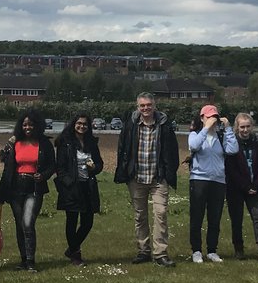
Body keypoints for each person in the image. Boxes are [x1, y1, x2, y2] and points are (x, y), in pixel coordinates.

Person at [114, 92, 179, 268]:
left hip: (158, 177)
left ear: (154, 105)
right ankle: (143, 250)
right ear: (138, 107)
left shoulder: (164, 125)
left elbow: (173, 151)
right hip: (137, 177)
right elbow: (122, 148)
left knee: (161, 214)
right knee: (140, 216)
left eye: (149, 105)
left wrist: (169, 172)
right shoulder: (131, 125)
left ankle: (160, 253)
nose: (146, 108)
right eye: (142, 106)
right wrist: (124, 171)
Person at [0, 109, 56, 272]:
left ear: (37, 125)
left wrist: (43, 175)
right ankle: (23, 260)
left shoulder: (44, 143)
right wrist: (8, 143)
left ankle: (30, 261)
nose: (27, 127)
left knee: (28, 223)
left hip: (34, 188)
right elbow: (2, 158)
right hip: (16, 188)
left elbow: (52, 165)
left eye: (30, 124)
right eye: (24, 124)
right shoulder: (16, 142)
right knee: (19, 225)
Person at [186, 104, 239, 263]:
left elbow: (233, 149)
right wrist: (204, 129)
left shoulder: (221, 136)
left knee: (214, 217)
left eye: (214, 117)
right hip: (199, 180)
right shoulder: (195, 134)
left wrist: (228, 128)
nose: (212, 120)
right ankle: (196, 250)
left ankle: (212, 250)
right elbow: (194, 146)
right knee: (197, 216)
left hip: (218, 181)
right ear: (202, 118)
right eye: (208, 117)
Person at [54, 114, 104, 266]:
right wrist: (68, 183)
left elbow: (100, 164)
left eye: (85, 124)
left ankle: (71, 249)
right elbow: (60, 168)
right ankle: (76, 255)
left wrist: (94, 168)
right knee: (72, 220)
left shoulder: (91, 143)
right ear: (74, 124)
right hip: (71, 187)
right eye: (79, 123)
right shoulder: (65, 143)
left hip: (88, 186)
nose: (82, 126)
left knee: (88, 222)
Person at [223, 112, 258, 261]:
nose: (245, 130)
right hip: (236, 188)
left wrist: (257, 184)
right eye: (242, 127)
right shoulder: (231, 143)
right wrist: (245, 186)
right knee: (236, 219)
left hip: (255, 187)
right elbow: (231, 169)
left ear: (252, 127)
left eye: (248, 126)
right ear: (237, 127)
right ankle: (239, 249)